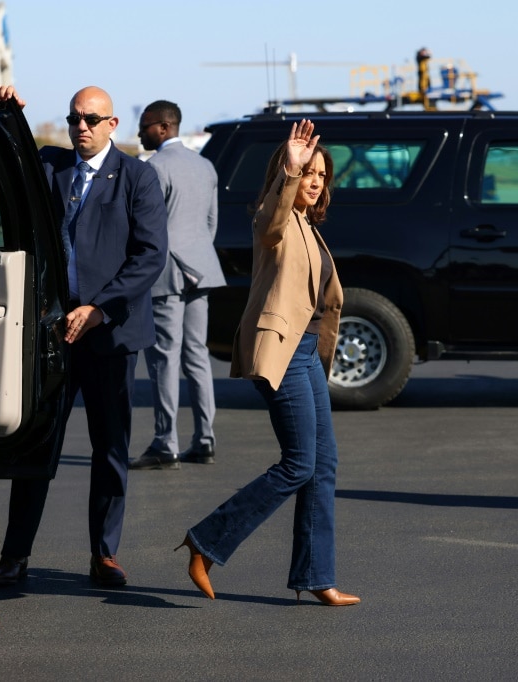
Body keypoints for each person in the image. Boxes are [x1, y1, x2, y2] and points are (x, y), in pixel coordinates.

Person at [0, 85, 167, 586]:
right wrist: (9, 112)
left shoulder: (138, 177)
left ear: (113, 125)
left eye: (91, 119)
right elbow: (9, 158)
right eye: (73, 119)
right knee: (36, 445)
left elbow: (149, 257)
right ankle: (14, 555)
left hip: (110, 334)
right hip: (53, 336)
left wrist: (99, 309)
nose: (80, 127)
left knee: (109, 449)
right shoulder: (51, 167)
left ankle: (104, 555)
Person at [176, 120, 360, 606]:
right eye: (308, 171)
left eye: (321, 174)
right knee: (299, 463)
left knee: (323, 464)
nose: (315, 180)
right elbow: (269, 222)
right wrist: (290, 173)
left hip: (305, 354)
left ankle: (318, 576)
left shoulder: (310, 229)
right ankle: (207, 540)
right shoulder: (273, 217)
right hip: (282, 351)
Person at [129, 100, 226, 470]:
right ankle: (205, 439)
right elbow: (211, 224)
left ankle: (165, 443)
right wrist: (195, 257)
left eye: (145, 125)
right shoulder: (205, 166)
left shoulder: (152, 168)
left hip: (167, 274)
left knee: (164, 360)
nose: (140, 133)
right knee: (197, 356)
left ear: (164, 128)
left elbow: (145, 230)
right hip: (202, 269)